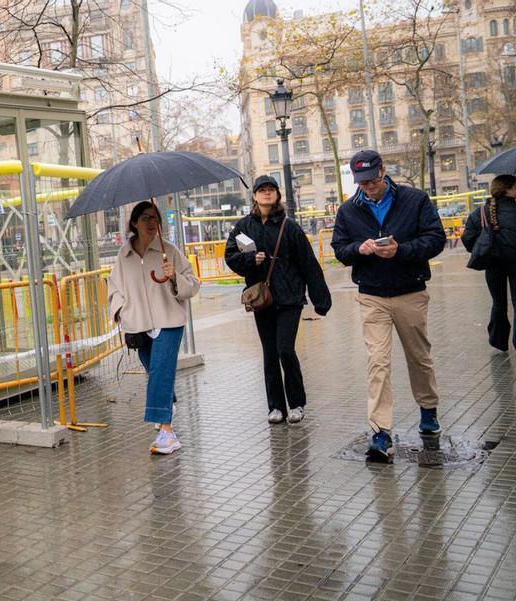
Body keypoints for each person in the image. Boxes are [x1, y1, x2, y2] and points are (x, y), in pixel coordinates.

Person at [331, 150, 447, 463]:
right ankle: (381, 432)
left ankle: (428, 409)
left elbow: (436, 238)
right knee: (378, 362)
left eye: (371, 179)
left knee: (418, 356)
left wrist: (402, 250)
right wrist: (360, 248)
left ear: (383, 171)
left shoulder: (415, 199)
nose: (367, 186)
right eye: (361, 181)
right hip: (372, 295)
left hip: (410, 291)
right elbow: (340, 249)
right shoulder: (348, 210)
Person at [225, 175, 331, 425]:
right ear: (254, 196)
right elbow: (230, 257)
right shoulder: (243, 226)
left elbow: (308, 263)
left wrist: (320, 299)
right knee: (270, 352)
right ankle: (275, 407)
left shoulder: (289, 226)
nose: (267, 193)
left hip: (290, 297)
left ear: (278, 195)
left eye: (271, 189)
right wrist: (251, 261)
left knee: (285, 349)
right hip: (262, 298)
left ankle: (296, 403)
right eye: (262, 190)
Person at [107, 201, 201, 454]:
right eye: (146, 217)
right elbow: (113, 287)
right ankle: (167, 403)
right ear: (134, 223)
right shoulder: (124, 255)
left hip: (168, 320)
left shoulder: (168, 251)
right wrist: (122, 312)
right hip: (137, 325)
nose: (151, 223)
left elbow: (193, 284)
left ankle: (167, 433)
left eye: (155, 218)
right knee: (154, 372)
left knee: (160, 371)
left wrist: (174, 277)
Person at [462, 174, 516, 352]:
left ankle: (498, 340)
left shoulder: (481, 212)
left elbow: (468, 238)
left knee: (498, 303)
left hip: (493, 264)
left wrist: (481, 247)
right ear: (508, 189)